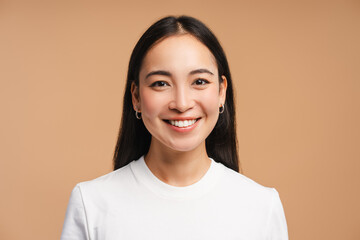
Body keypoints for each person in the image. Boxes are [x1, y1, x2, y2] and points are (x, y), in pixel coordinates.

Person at [60, 15, 288, 240]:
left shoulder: (262, 207)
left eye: (199, 82)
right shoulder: (91, 203)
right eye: (161, 83)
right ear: (136, 96)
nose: (181, 103)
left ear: (221, 92)